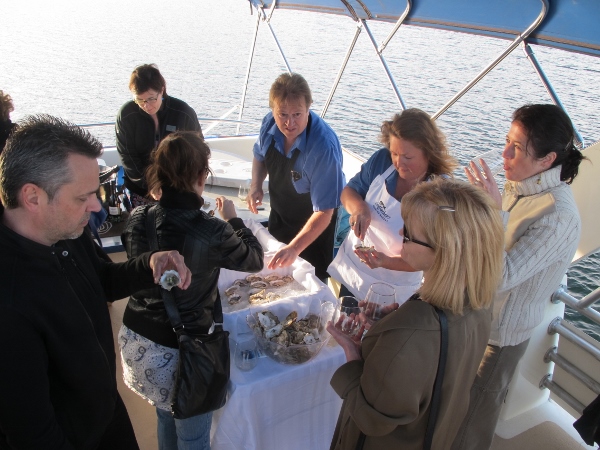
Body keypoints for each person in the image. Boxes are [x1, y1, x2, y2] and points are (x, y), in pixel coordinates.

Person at [0, 115, 191, 450]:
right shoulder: (11, 302)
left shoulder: (64, 232)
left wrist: (150, 263)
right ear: (32, 197)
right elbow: (31, 432)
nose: (96, 205)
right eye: (83, 197)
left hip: (106, 413)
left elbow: (102, 280)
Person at [327, 178, 505, 450]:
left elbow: (372, 419)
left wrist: (354, 357)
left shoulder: (410, 333)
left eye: (409, 233)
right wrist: (385, 332)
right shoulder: (479, 305)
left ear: (444, 251)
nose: (400, 233)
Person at [452, 104, 585, 450]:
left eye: (517, 148)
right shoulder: (519, 185)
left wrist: (494, 212)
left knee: (471, 421)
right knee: (451, 405)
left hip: (499, 336)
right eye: (506, 141)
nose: (504, 154)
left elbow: (501, 275)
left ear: (546, 160)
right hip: (472, 316)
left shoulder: (558, 216)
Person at [119, 131, 264, 450]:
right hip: (182, 354)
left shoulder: (137, 217)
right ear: (202, 175)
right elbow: (254, 260)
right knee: (194, 438)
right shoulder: (213, 229)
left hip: (138, 344)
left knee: (165, 416)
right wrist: (234, 221)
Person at [328, 108, 457, 304]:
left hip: (394, 290)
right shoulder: (382, 161)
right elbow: (349, 191)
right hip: (354, 273)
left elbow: (434, 258)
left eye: (407, 157)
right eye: (394, 153)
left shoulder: (441, 193)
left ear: (429, 153)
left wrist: (386, 262)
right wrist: (359, 208)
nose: (398, 162)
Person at [247, 72, 344, 281]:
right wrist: (256, 185)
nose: (289, 123)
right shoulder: (268, 124)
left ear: (309, 108)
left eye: (297, 114)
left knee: (309, 283)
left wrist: (294, 248)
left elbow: (325, 212)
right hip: (279, 216)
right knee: (273, 280)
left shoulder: (323, 148)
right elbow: (259, 157)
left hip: (315, 230)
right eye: (282, 114)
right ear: (272, 110)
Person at [116, 64, 203, 207]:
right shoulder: (126, 115)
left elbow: (199, 151)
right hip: (140, 189)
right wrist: (150, 185)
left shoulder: (183, 113)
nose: (147, 105)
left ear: (162, 90)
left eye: (151, 99)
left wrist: (190, 186)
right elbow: (127, 156)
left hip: (178, 189)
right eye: (140, 100)